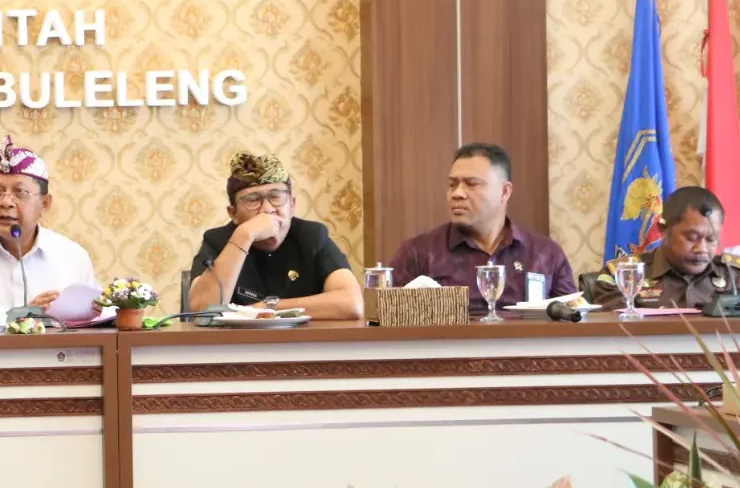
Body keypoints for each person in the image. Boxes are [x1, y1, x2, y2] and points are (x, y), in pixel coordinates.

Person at [388, 143, 577, 313]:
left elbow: (573, 321)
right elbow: (389, 321)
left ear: (504, 192)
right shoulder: (418, 253)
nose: (457, 194)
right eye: (452, 185)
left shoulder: (545, 254)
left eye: (471, 184)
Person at [0, 136, 98, 316]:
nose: (6, 202)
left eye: (20, 192)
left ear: (45, 204)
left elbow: (94, 322)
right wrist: (20, 315)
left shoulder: (74, 257)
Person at [186, 152, 362, 318]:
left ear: (292, 205)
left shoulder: (312, 236)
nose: (267, 209)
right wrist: (244, 235)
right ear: (233, 213)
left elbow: (351, 304)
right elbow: (203, 311)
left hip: (301, 340)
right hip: (237, 340)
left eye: (276, 197)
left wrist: (268, 307)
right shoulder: (217, 241)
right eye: (252, 200)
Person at [591, 186, 740, 311]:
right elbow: (616, 331)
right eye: (692, 238)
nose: (702, 249)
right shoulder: (622, 275)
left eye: (711, 239)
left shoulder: (734, 276)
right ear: (663, 229)